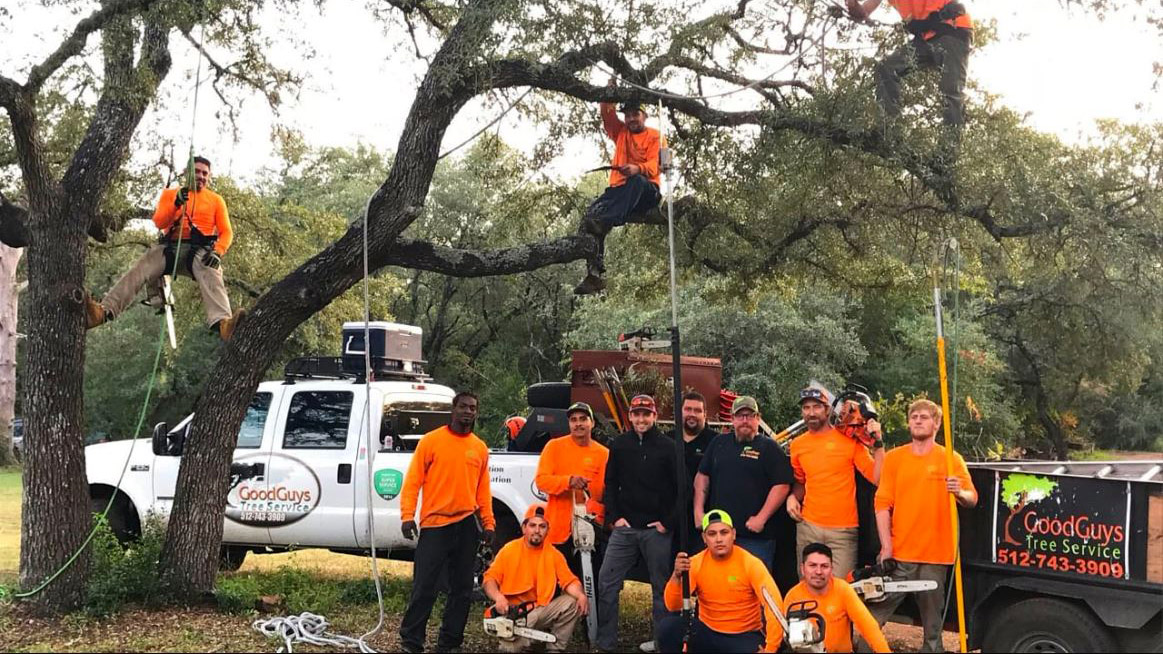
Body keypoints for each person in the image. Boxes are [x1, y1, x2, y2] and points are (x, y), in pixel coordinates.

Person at [85, 156, 244, 340]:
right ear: (187, 173)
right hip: (170, 249)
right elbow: (159, 221)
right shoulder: (170, 194)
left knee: (211, 271)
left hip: (199, 251)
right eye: (197, 172)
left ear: (209, 177)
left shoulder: (216, 200)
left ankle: (224, 324)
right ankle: (102, 312)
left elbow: (227, 232)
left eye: (204, 173)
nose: (200, 176)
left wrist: (218, 251)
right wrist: (176, 203)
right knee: (141, 268)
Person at [864, 398, 977, 652]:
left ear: (936, 424)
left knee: (933, 629)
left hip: (936, 557)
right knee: (871, 619)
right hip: (900, 555)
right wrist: (886, 546)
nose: (917, 420)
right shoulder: (894, 458)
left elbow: (972, 499)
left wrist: (960, 492)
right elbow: (882, 504)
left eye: (924, 417)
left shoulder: (951, 459)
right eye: (914, 417)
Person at [398, 391, 496, 654]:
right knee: (424, 586)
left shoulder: (479, 448)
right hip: (434, 524)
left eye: (473, 408)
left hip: (466, 525)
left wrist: (488, 523)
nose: (468, 412)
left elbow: (483, 491)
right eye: (463, 407)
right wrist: (407, 516)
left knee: (462, 589)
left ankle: (450, 642)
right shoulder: (431, 441)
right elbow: (412, 482)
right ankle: (411, 640)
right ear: (453, 410)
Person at [598, 394, 680, 653]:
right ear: (630, 417)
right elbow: (610, 483)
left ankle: (662, 643)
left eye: (646, 414)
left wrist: (667, 522)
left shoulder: (669, 446)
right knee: (606, 582)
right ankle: (606, 642)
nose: (641, 419)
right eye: (637, 414)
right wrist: (614, 518)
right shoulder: (619, 444)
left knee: (661, 588)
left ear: (655, 416)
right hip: (625, 528)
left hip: (656, 530)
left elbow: (683, 488)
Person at [574, 79, 661, 295]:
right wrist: (608, 91)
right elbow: (607, 115)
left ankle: (605, 221)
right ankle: (594, 273)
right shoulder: (621, 132)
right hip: (620, 191)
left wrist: (637, 168)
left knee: (636, 182)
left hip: (646, 191)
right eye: (628, 115)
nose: (631, 118)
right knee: (592, 215)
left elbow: (655, 164)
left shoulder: (654, 136)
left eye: (635, 114)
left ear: (644, 115)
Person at [787, 384, 884, 578]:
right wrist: (792, 497)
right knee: (807, 586)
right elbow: (801, 482)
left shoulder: (849, 441)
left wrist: (879, 443)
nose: (811, 412)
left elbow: (877, 477)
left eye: (817, 407)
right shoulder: (797, 445)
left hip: (843, 531)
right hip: (808, 527)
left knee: (841, 589)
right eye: (806, 408)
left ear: (828, 409)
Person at [658, 510, 786, 653]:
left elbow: (773, 606)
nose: (719, 539)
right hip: (708, 632)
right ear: (704, 538)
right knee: (668, 627)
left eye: (724, 532)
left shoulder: (750, 563)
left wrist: (771, 649)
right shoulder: (695, 563)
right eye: (712, 534)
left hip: (744, 635)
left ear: (734, 534)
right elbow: (673, 606)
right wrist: (676, 577)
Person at [694, 396, 793, 571]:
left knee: (755, 587)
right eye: (740, 416)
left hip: (755, 537)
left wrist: (761, 518)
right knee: (719, 582)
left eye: (750, 415)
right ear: (732, 419)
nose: (745, 420)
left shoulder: (769, 448)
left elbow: (782, 485)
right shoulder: (718, 443)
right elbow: (702, 476)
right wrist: (698, 511)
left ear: (758, 418)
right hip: (720, 534)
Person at [846, 1, 972, 137]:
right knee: (887, 68)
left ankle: (949, 150)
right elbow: (864, 12)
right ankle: (888, 131)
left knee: (951, 90)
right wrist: (852, 5)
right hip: (925, 38)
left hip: (952, 29)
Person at [482, 503, 589, 653]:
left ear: (547, 531)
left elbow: (569, 581)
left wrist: (580, 595)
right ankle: (527, 642)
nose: (537, 530)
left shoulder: (554, 554)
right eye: (532, 525)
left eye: (542, 526)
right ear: (524, 528)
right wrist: (498, 597)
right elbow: (489, 579)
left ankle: (555, 649)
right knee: (510, 650)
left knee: (571, 603)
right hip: (514, 613)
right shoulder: (509, 550)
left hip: (540, 610)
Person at [535, 401, 609, 571]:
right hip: (559, 531)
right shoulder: (554, 447)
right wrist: (568, 481)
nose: (578, 424)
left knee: (590, 585)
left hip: (591, 532)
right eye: (573, 420)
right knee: (557, 583)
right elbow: (541, 481)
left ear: (592, 423)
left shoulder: (604, 454)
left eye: (583, 419)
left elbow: (608, 492)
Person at [783, 542, 890, 653]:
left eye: (824, 566)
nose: (818, 571)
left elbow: (868, 626)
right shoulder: (793, 597)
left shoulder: (842, 589)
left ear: (831, 569)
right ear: (802, 568)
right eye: (812, 565)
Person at [670, 391, 719, 555]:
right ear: (680, 412)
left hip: (703, 519)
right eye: (688, 409)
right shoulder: (667, 440)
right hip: (671, 519)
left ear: (705, 414)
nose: (692, 414)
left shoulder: (717, 442)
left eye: (697, 410)